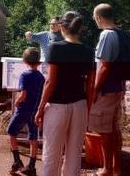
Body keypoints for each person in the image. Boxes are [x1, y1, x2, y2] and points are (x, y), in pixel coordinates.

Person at [35, 11, 95, 176]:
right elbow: (90, 85)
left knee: (51, 154)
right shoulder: (88, 51)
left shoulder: (56, 48)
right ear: (80, 29)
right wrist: (87, 109)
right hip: (80, 105)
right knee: (74, 155)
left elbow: (50, 81)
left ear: (62, 27)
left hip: (57, 106)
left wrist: (40, 109)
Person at [88, 3, 125, 176]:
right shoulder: (121, 32)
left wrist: (94, 89)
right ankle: (116, 168)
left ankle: (107, 169)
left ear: (99, 17)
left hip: (106, 90)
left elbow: (104, 66)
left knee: (104, 131)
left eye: (95, 18)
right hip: (118, 87)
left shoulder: (106, 35)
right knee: (114, 129)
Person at [7, 47, 45, 176]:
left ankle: (17, 160)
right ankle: (32, 166)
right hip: (34, 112)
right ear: (39, 62)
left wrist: (17, 101)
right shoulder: (41, 77)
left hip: (23, 110)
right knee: (33, 137)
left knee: (11, 132)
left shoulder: (24, 75)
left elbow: (23, 94)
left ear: (24, 61)